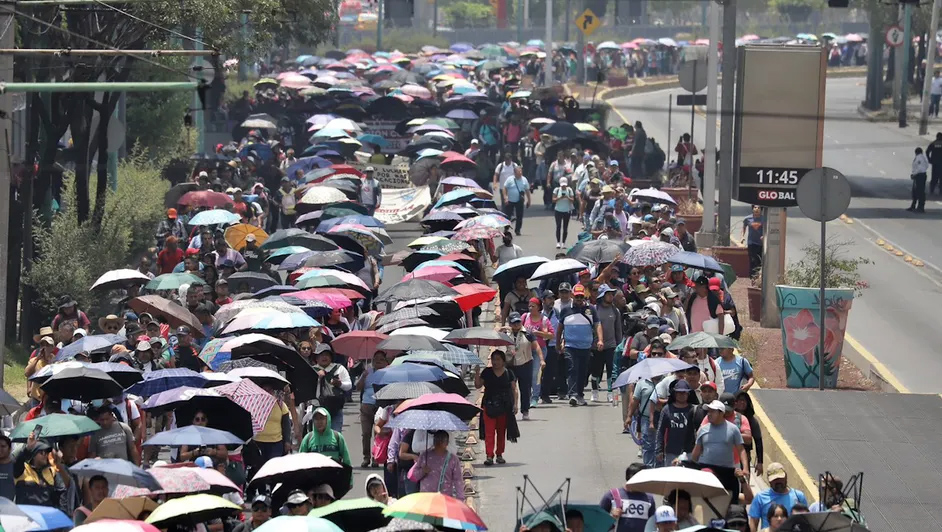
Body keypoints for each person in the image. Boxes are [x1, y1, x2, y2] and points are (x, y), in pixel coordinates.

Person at [692, 399, 747, 503]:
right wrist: (691, 466)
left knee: (730, 500)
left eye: (712, 411)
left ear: (721, 413)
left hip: (727, 471)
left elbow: (741, 450)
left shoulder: (733, 429)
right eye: (708, 411)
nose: (709, 414)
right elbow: (696, 452)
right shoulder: (703, 429)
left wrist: (746, 469)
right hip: (707, 471)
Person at [557, 284, 600, 406]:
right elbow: (560, 328)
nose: (579, 299)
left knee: (582, 371)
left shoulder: (591, 309)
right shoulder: (565, 310)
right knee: (572, 369)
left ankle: (580, 394)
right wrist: (558, 343)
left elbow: (597, 325)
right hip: (570, 346)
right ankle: (573, 394)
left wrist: (600, 340)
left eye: (581, 296)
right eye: (577, 297)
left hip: (586, 346)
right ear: (572, 296)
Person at [475, 350, 518, 466]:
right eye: (494, 359)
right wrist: (477, 373)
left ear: (503, 361)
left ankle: (499, 454)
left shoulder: (509, 373)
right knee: (489, 432)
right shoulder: (487, 372)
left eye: (498, 359)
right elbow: (478, 385)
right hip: (489, 405)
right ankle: (489, 456)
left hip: (504, 406)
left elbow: (514, 390)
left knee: (501, 432)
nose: (495, 362)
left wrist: (515, 404)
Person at [503, 311, 542, 420]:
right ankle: (510, 409)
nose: (516, 325)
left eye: (518, 322)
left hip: (525, 363)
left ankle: (525, 410)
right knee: (510, 387)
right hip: (511, 364)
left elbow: (537, 347)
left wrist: (542, 360)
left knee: (525, 388)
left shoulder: (528, 333)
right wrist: (500, 332)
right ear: (510, 323)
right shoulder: (506, 334)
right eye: (514, 323)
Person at [749, 463, 808, 531]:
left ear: (785, 476)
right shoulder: (760, 498)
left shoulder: (798, 496)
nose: (778, 482)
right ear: (769, 480)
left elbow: (806, 520)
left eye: (780, 478)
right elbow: (753, 523)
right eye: (774, 480)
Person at [14, 433, 67, 508]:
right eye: (42, 452)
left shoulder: (52, 471)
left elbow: (62, 493)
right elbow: (18, 460)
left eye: (47, 452)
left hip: (47, 517)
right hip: (26, 517)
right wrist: (28, 448)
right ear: (33, 454)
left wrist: (61, 514)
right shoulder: (22, 469)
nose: (45, 455)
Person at [599, 463, 655, 532]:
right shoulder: (611, 496)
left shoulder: (649, 499)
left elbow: (652, 525)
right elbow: (598, 521)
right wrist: (611, 517)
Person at [408, 430, 463, 498]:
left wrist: (460, 498)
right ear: (433, 442)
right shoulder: (425, 456)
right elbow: (415, 476)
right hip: (426, 498)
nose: (438, 444)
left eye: (441, 441)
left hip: (444, 498)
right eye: (437, 441)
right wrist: (423, 471)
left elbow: (458, 480)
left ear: (446, 443)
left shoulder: (452, 459)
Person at [357, 351, 389, 468]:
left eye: (381, 359)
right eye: (376, 359)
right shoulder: (367, 372)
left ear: (386, 362)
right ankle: (366, 457)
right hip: (366, 405)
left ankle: (376, 457)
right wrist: (363, 377)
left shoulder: (388, 373)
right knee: (366, 433)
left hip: (381, 407)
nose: (378, 361)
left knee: (378, 433)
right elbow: (358, 387)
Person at [591, 284, 622, 403]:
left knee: (611, 369)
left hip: (611, 345)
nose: (610, 296)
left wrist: (619, 345)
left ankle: (610, 392)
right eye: (608, 294)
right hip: (596, 345)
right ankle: (594, 391)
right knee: (596, 370)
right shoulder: (595, 309)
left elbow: (618, 329)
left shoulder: (615, 310)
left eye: (611, 294)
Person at [655, 380, 695, 467]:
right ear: (675, 394)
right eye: (679, 393)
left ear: (688, 394)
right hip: (671, 452)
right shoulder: (666, 410)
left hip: (690, 452)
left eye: (684, 393)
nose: (682, 395)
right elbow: (660, 431)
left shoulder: (694, 410)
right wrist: (659, 450)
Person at [312, 344, 352, 432]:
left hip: (335, 407)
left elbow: (349, 385)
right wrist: (317, 378)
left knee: (335, 436)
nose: (324, 357)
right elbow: (307, 388)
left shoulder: (339, 368)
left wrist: (340, 384)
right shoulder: (312, 370)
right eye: (321, 355)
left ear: (331, 357)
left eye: (326, 355)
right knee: (318, 438)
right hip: (317, 407)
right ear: (316, 358)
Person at [502, 165, 531, 235]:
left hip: (519, 201)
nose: (520, 173)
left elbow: (527, 190)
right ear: (514, 173)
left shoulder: (524, 180)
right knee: (507, 215)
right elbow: (504, 188)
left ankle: (518, 230)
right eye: (519, 171)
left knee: (519, 216)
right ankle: (506, 228)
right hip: (510, 200)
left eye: (521, 171)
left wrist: (529, 200)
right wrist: (505, 197)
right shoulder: (510, 179)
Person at [741, 205, 764, 276]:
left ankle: (758, 275)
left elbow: (767, 229)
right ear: (752, 209)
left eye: (759, 208)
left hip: (761, 243)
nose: (757, 209)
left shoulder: (764, 219)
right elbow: (744, 228)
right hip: (751, 243)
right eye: (755, 207)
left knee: (759, 260)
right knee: (752, 260)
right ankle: (752, 276)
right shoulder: (747, 219)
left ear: (761, 210)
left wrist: (764, 236)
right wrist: (742, 237)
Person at [553, 177, 575, 248]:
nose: (563, 186)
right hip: (558, 211)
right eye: (562, 185)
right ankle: (558, 242)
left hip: (567, 211)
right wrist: (559, 198)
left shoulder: (569, 190)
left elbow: (572, 200)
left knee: (565, 227)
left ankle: (563, 243)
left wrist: (567, 197)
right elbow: (553, 200)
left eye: (564, 185)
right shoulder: (556, 190)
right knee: (558, 226)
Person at [909, 146, 929, 213]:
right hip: (921, 175)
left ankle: (920, 207)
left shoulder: (919, 158)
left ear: (916, 152)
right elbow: (926, 165)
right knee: (915, 191)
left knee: (920, 191)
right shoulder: (923, 158)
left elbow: (920, 168)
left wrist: (914, 174)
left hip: (919, 176)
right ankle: (914, 205)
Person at [0, 435, 14, 500]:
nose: (0, 449)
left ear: (10, 449)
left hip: (11, 507)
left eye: (3, 446)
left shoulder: (17, 466)